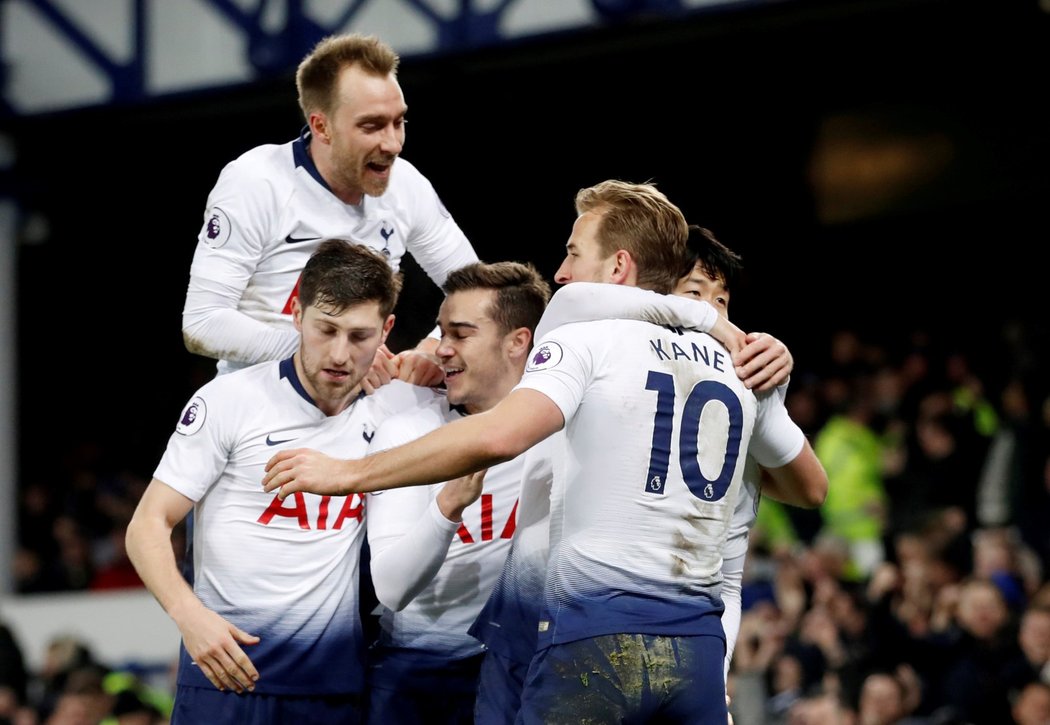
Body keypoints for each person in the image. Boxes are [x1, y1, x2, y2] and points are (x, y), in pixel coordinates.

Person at [263, 180, 825, 724]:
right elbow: (811, 489)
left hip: (586, 634)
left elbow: (499, 431)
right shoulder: (742, 370)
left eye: (573, 252)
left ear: (618, 267)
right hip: (693, 646)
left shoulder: (583, 336)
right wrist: (720, 327)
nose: (560, 272)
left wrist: (348, 473)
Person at [469, 225, 826, 723]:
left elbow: (801, 496)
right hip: (548, 617)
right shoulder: (604, 349)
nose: (713, 314)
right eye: (696, 296)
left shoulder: (742, 380)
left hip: (609, 634)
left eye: (722, 301)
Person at [126, 240, 436, 724]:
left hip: (334, 688)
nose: (339, 353)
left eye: (359, 336)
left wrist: (431, 364)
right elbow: (147, 524)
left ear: (387, 331)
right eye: (325, 329)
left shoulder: (401, 411)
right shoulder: (229, 400)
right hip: (223, 678)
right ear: (296, 313)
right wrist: (189, 618)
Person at [181, 32, 479, 385]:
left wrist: (432, 348)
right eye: (371, 126)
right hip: (260, 402)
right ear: (321, 127)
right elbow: (202, 323)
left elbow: (474, 292)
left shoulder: (407, 185)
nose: (393, 143)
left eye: (399, 122)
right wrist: (327, 353)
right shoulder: (256, 181)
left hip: (362, 402)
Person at [361, 260, 551, 724]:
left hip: (525, 667)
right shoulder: (408, 430)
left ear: (518, 342)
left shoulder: (562, 432)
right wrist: (446, 507)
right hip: (418, 674)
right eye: (441, 333)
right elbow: (391, 588)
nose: (440, 350)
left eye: (460, 335)